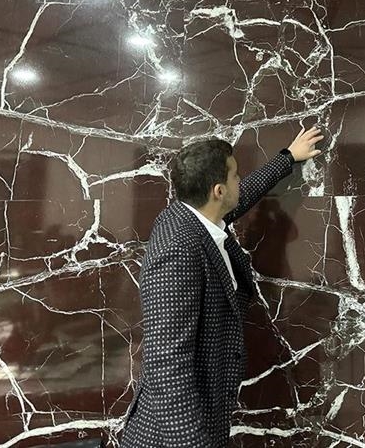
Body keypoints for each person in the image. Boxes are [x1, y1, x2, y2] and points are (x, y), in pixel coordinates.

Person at [118, 127, 324, 447]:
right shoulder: (177, 251)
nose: (240, 181)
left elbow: (240, 198)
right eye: (235, 176)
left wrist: (288, 158)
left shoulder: (193, 215)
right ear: (217, 190)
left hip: (203, 418)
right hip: (173, 436)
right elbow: (165, 365)